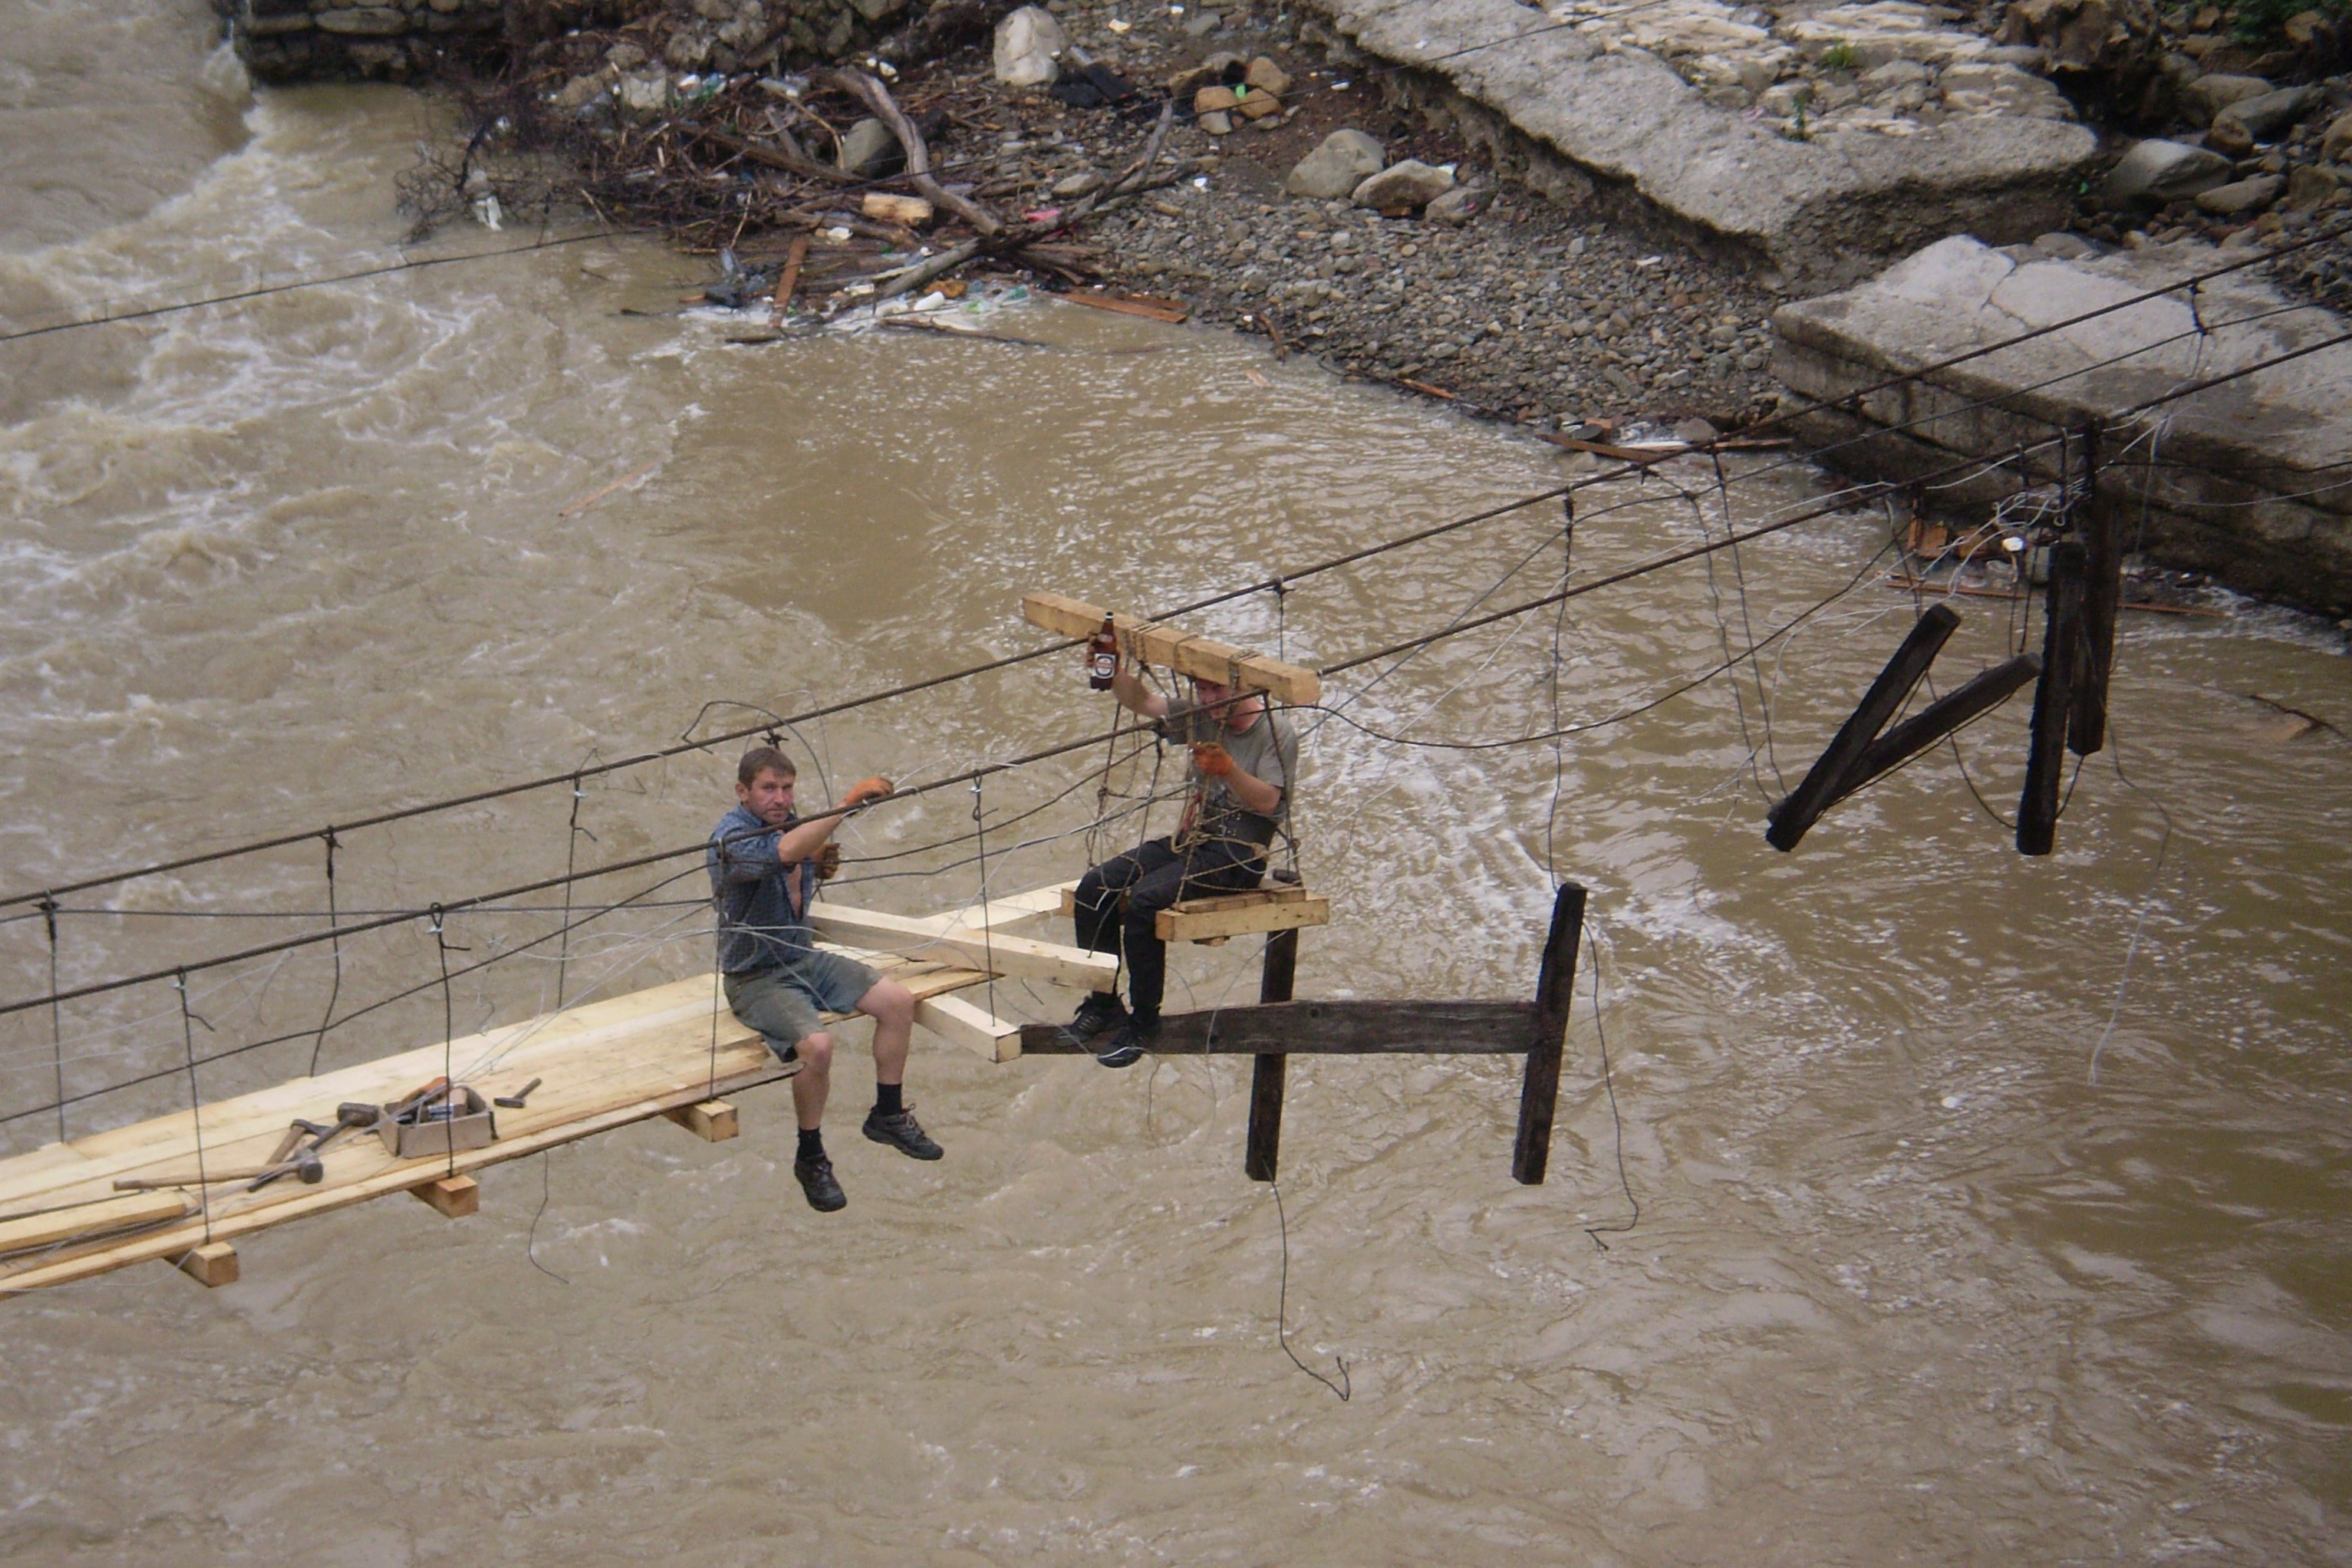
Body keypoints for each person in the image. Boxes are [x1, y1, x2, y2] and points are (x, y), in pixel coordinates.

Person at [708, 745, 940, 1212]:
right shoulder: (731, 838)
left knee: (897, 1001)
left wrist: (816, 862)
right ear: (743, 792)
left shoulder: (794, 825)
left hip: (804, 959)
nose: (780, 798)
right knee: (817, 1047)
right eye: (768, 789)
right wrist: (847, 804)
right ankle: (811, 1154)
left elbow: (798, 855)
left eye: (787, 788)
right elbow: (783, 853)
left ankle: (888, 1114)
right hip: (755, 977)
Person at [1060, 664, 1299, 1068]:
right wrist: (1113, 665)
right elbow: (1144, 702)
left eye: (1215, 690)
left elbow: (1268, 802)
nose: (1207, 699)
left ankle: (1145, 1021)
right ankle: (1103, 1003)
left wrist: (1228, 770)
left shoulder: (1276, 731)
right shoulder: (1201, 716)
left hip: (1239, 855)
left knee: (1145, 901)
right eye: (1200, 689)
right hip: (1192, 840)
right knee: (1095, 887)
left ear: (1242, 687)